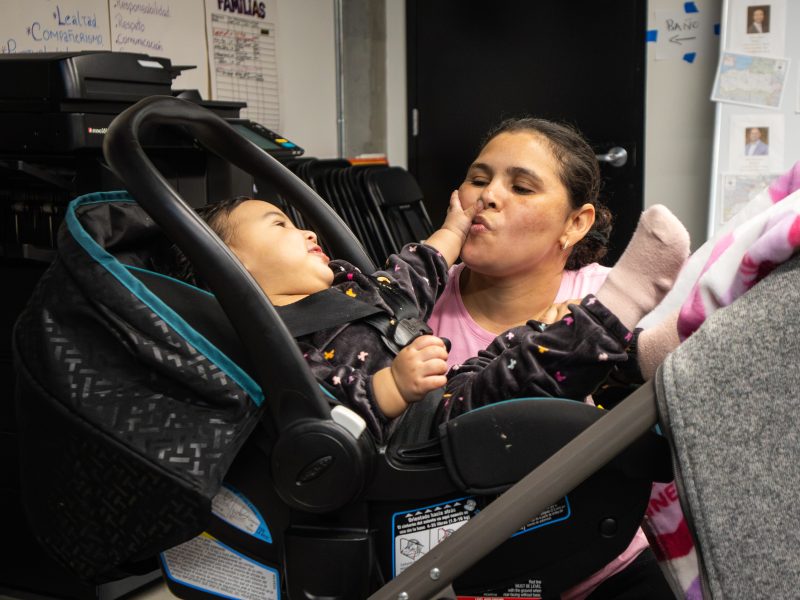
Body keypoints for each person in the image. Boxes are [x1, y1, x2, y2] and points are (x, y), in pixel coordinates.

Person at [427, 117, 684, 599]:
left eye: (521, 187)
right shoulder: (420, 301)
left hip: (605, 563)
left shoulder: (612, 294)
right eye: (478, 180)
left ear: (576, 223)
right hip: (469, 573)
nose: (488, 196)